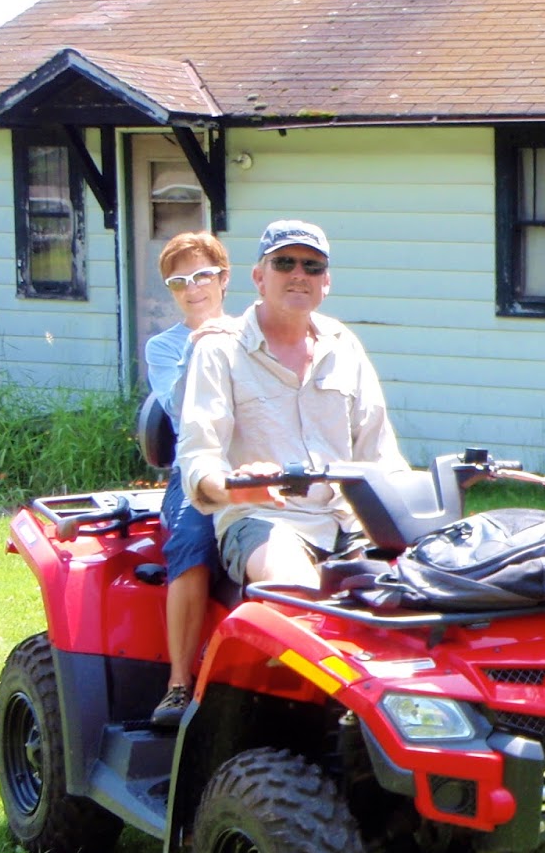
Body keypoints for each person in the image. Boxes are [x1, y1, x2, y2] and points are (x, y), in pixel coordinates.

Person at [178, 218, 407, 612]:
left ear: (326, 282)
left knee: (423, 590)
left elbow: (380, 454)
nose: (299, 274)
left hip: (347, 520)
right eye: (284, 263)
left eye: (312, 266)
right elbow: (199, 456)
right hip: (263, 519)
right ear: (259, 277)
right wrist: (238, 487)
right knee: (302, 597)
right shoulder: (219, 350)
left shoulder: (344, 345)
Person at [147, 232, 231, 728]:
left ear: (224, 279)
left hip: (257, 461)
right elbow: (178, 408)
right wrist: (196, 347)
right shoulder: (163, 347)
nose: (192, 288)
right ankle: (178, 684)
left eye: (201, 276)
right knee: (193, 539)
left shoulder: (252, 332)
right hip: (196, 466)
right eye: (178, 282)